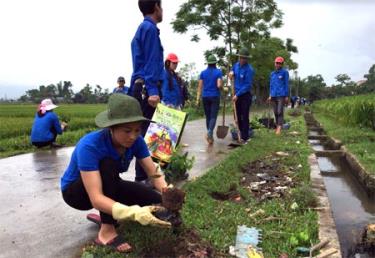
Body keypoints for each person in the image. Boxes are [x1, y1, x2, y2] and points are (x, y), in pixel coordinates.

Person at [60, 94, 170, 253]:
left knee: (159, 203)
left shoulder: (137, 141)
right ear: (111, 128)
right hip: (77, 194)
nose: (133, 136)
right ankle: (106, 230)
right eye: (127, 131)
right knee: (107, 164)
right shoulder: (90, 146)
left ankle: (109, 215)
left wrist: (167, 191)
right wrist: (132, 212)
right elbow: (96, 198)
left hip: (108, 184)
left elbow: (152, 172)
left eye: (137, 130)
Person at [129, 0, 164, 183]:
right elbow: (150, 63)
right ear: (156, 7)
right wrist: (152, 90)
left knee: (144, 133)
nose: (163, 10)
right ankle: (143, 178)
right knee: (148, 134)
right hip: (146, 89)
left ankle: (145, 177)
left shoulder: (141, 30)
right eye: (162, 6)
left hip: (139, 86)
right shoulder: (149, 30)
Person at [229, 47, 255, 143]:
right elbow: (232, 72)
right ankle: (239, 134)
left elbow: (247, 85)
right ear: (239, 57)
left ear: (247, 59)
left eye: (244, 58)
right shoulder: (236, 65)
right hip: (236, 95)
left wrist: (238, 95)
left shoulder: (249, 70)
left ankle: (245, 137)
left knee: (244, 116)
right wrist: (231, 73)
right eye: (241, 57)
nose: (242, 59)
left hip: (245, 96)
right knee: (237, 116)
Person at [196, 55, 223, 144]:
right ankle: (210, 132)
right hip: (215, 96)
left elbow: (200, 86)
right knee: (213, 116)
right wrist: (222, 88)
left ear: (208, 63)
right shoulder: (218, 72)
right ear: (215, 63)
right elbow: (219, 85)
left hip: (205, 97)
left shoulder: (203, 73)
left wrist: (197, 99)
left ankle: (210, 138)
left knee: (208, 117)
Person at [268, 56, 289, 135]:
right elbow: (271, 85)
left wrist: (286, 96)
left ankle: (279, 128)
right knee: (275, 112)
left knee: (280, 111)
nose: (278, 64)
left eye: (279, 63)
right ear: (274, 63)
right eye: (277, 63)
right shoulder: (272, 74)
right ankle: (277, 125)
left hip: (281, 95)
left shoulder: (285, 72)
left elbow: (286, 84)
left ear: (282, 64)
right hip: (273, 95)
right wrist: (270, 95)